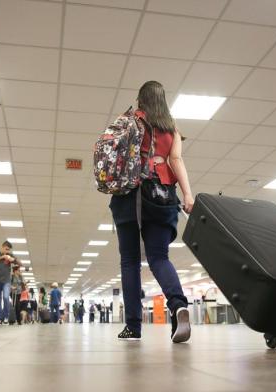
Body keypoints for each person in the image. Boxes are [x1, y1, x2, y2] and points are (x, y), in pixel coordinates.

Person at [109, 81, 194, 342]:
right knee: (159, 257)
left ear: (141, 99)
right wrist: (188, 194)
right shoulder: (172, 128)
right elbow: (175, 160)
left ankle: (133, 327)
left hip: (130, 195)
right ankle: (178, 304)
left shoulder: (130, 120)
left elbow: (112, 151)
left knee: (130, 261)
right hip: (162, 195)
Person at [0, 240, 21, 325]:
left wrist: (14, 260)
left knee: (6, 297)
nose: (7, 251)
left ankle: (6, 316)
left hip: (6, 281)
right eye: (6, 249)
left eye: (9, 250)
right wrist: (1, 258)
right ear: (2, 247)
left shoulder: (10, 255)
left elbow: (20, 263)